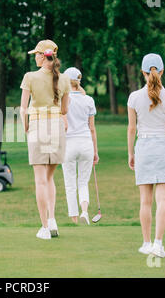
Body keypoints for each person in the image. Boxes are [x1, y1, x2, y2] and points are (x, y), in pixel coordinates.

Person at [127, 53, 165, 258]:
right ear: (161, 71)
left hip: (143, 148)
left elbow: (131, 129)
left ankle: (146, 243)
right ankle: (158, 245)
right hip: (163, 149)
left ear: (143, 72)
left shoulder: (134, 97)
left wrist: (130, 153)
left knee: (145, 201)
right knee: (162, 201)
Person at [20, 39, 71, 240]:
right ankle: (52, 220)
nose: (35, 57)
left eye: (36, 54)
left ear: (43, 56)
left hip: (38, 126)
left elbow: (24, 108)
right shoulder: (65, 78)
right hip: (56, 127)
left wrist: (25, 127)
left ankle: (44, 227)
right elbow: (65, 110)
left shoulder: (30, 77)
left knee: (40, 180)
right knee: (49, 178)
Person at [61, 67, 99, 225]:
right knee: (83, 182)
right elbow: (92, 128)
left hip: (69, 144)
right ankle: (84, 211)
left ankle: (74, 219)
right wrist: (95, 151)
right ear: (79, 82)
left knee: (70, 183)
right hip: (86, 144)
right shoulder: (89, 100)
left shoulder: (63, 99)